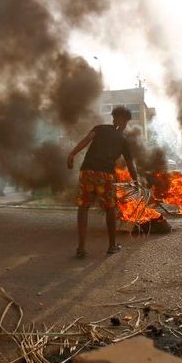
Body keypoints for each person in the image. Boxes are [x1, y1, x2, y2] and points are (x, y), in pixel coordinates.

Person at [67, 106, 138, 258]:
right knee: (110, 208)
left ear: (113, 118)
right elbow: (131, 165)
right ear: (124, 121)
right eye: (125, 121)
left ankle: (81, 248)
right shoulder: (123, 140)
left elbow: (86, 140)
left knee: (83, 207)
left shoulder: (99, 128)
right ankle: (112, 246)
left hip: (88, 171)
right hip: (105, 175)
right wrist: (136, 181)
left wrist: (72, 154)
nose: (125, 124)